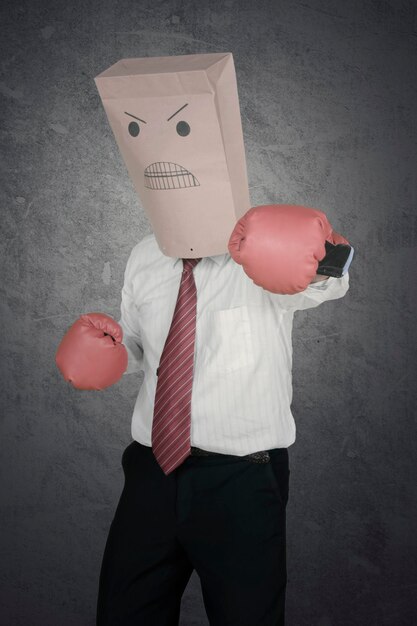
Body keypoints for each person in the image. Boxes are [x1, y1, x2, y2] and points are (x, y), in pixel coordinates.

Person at [56, 53, 353, 625]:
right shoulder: (145, 255)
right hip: (150, 472)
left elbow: (328, 283)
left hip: (241, 479)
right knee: (122, 615)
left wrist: (323, 255)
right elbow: (145, 350)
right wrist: (112, 343)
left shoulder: (262, 252)